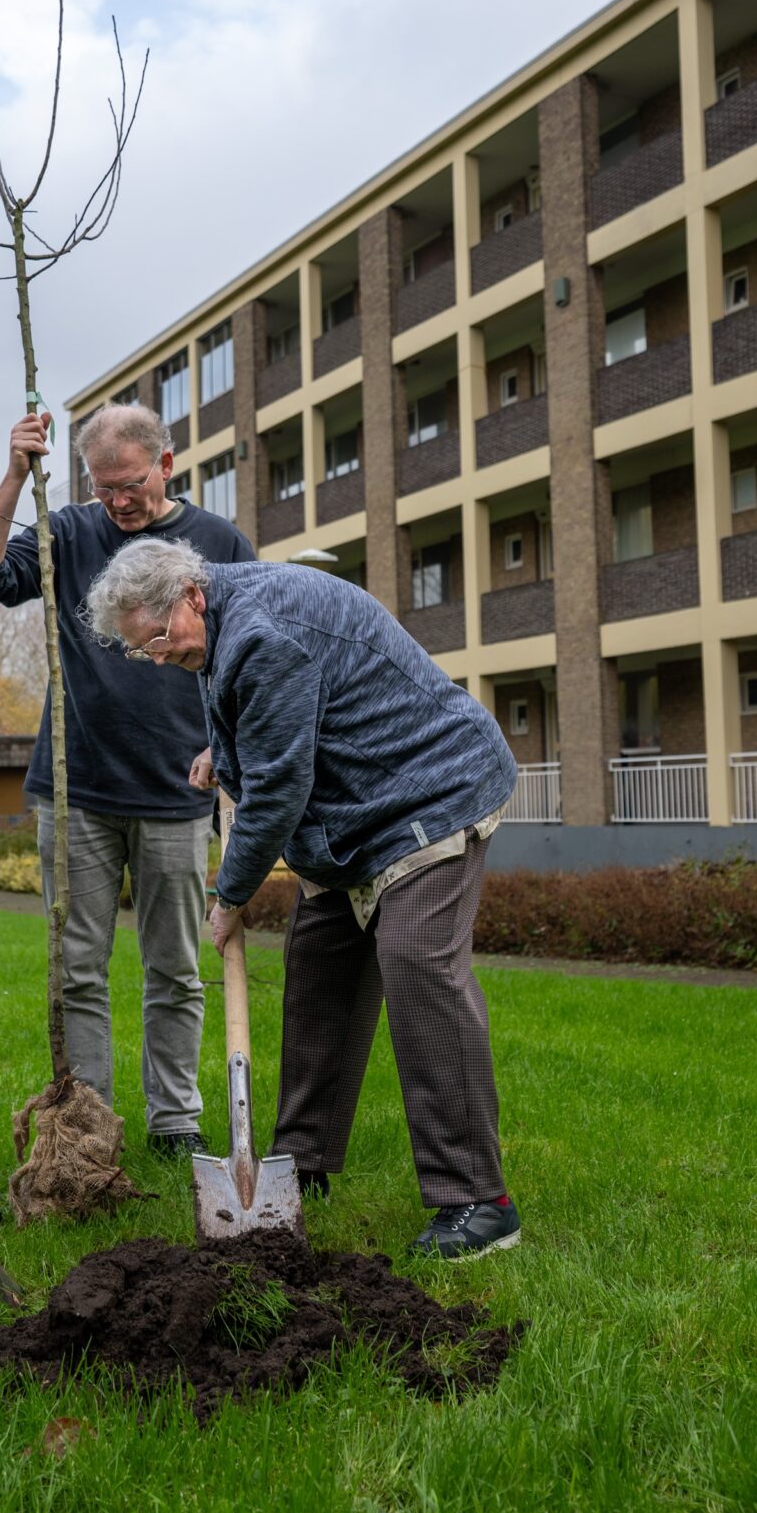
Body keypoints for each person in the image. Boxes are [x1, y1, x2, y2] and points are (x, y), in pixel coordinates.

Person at [83, 537, 524, 1261]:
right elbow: (268, 722)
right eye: (142, 650)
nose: (157, 656)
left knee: (419, 968)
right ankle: (300, 1161)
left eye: (159, 639)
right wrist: (222, 755)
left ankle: (478, 1200)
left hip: (430, 794)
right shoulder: (216, 621)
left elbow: (279, 789)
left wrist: (230, 896)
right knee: (318, 975)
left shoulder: (262, 632)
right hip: (351, 814)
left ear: (191, 595)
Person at [0, 403, 253, 1155]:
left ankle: (175, 1119)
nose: (118, 500)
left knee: (175, 969)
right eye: (102, 485)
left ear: (167, 464)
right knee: (78, 968)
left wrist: (232, 753)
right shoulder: (69, 532)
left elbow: (249, 654)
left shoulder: (217, 544)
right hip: (78, 789)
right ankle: (89, 1125)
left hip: (177, 794)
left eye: (131, 483)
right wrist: (18, 474)